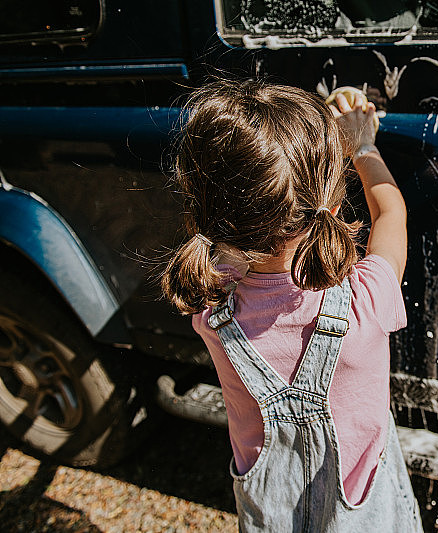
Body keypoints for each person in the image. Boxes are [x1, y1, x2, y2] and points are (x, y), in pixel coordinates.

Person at [160, 79, 422, 532]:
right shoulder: (366, 299)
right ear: (332, 204)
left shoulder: (209, 301)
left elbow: (227, 234)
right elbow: (390, 212)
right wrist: (361, 144)